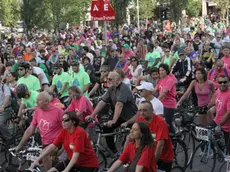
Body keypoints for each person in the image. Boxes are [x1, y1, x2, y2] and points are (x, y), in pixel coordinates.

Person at [86, 71, 137, 153]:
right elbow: (102, 101)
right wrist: (92, 115)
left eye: (110, 79)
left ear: (117, 80)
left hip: (130, 117)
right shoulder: (111, 88)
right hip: (120, 116)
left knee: (131, 139)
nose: (107, 81)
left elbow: (119, 104)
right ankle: (114, 152)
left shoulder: (124, 88)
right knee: (106, 129)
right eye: (107, 79)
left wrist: (114, 120)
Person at [30, 111, 99, 172]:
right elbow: (52, 146)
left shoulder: (79, 132)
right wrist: (37, 159)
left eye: (66, 120)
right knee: (52, 170)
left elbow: (76, 155)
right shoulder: (64, 131)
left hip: (88, 164)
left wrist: (66, 170)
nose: (63, 122)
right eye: (62, 120)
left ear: (73, 122)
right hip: (74, 162)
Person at [14, 91, 64, 171]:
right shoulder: (38, 110)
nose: (36, 102)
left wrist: (62, 149)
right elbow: (30, 129)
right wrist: (20, 145)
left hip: (56, 142)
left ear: (47, 101)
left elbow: (67, 129)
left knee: (44, 155)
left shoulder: (58, 111)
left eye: (39, 100)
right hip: (44, 141)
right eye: (36, 100)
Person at [122, 101, 174, 172]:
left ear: (152, 110)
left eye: (145, 110)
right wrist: (125, 153)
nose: (142, 113)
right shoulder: (140, 119)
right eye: (140, 110)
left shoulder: (161, 123)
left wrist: (152, 162)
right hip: (147, 153)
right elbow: (131, 136)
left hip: (163, 156)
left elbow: (160, 145)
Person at [152, 64, 177, 133]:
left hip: (169, 104)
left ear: (166, 71)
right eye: (160, 70)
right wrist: (146, 94)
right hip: (162, 104)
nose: (161, 72)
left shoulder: (169, 80)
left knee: (167, 123)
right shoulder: (161, 80)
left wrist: (156, 101)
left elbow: (164, 93)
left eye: (163, 70)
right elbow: (155, 90)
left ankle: (174, 138)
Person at [210, 75, 230, 152]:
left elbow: (228, 113)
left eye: (225, 82)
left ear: (228, 83)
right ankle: (218, 150)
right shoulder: (218, 90)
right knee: (206, 132)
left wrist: (219, 126)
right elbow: (215, 102)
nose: (222, 84)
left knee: (229, 152)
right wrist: (205, 107)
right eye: (220, 82)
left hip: (228, 127)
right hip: (217, 120)